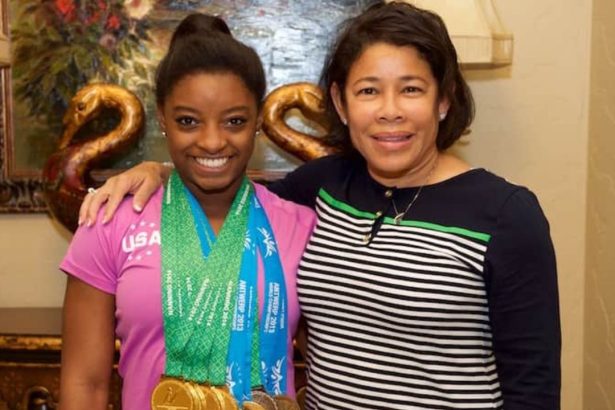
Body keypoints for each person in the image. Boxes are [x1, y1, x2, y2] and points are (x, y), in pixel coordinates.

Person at [80, 2, 561, 409]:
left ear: (444, 100)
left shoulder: (506, 215)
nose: (389, 109)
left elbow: (533, 388)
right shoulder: (324, 188)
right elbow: (224, 182)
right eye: (369, 90)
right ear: (342, 100)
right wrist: (157, 170)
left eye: (411, 89)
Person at [59, 12, 315, 410]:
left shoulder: (302, 227)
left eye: (234, 121)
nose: (212, 141)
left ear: (257, 122)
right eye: (188, 121)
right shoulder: (110, 221)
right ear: (163, 118)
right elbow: (85, 385)